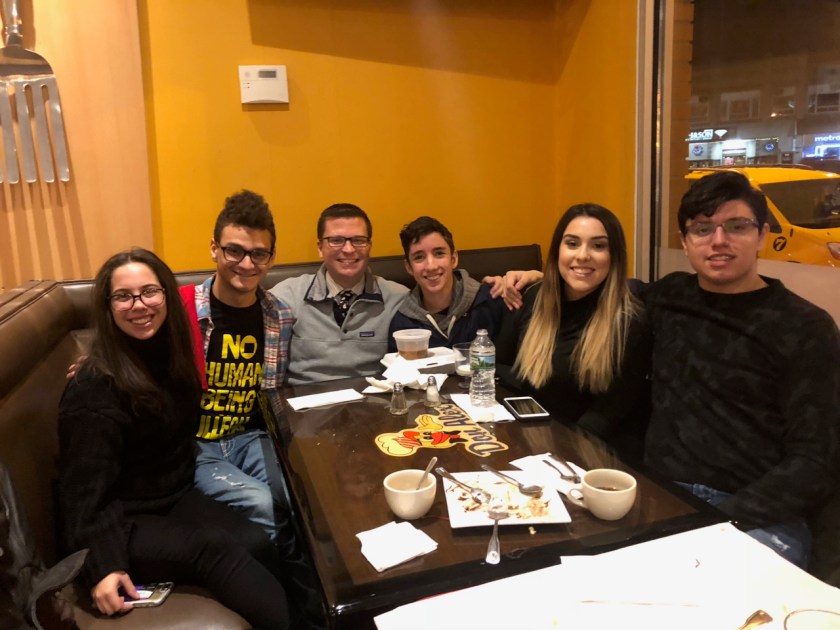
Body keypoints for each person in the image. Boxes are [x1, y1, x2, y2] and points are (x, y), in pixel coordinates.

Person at [57, 248, 291, 629]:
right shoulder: (93, 388)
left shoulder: (169, 356)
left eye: (150, 291)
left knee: (257, 540)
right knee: (214, 549)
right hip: (122, 519)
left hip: (174, 497)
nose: (139, 305)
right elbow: (82, 494)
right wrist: (103, 566)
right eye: (123, 296)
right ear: (107, 306)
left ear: (166, 295)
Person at [642, 170, 840, 568]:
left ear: (762, 235)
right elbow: (605, 294)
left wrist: (719, 518)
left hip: (760, 517)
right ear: (685, 241)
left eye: (736, 226)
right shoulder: (669, 295)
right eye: (703, 229)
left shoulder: (805, 328)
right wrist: (534, 279)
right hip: (662, 495)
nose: (719, 240)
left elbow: (816, 460)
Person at [495, 203, 650, 459]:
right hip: (529, 438)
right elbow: (498, 364)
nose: (583, 255)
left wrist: (555, 454)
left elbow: (606, 416)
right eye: (572, 243)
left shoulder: (630, 322)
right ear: (558, 250)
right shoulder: (532, 298)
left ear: (614, 256)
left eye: (598, 246)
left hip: (591, 455)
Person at [184, 190, 294, 547]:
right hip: (197, 446)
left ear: (271, 258)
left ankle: (307, 582)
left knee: (299, 495)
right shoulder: (181, 309)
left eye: (258, 253)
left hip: (253, 439)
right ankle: (281, 582)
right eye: (234, 251)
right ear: (214, 249)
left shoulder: (279, 315)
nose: (247, 264)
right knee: (260, 502)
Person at [270, 203, 409, 385]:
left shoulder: (398, 298)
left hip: (373, 399)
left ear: (369, 246)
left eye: (358, 240)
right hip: (305, 400)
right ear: (320, 247)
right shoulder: (286, 296)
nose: (349, 249)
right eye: (336, 240)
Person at [388, 216, 507, 350]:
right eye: (419, 257)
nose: (431, 266)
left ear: (453, 259)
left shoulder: (490, 300)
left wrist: (527, 277)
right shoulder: (402, 324)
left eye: (439, 253)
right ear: (409, 267)